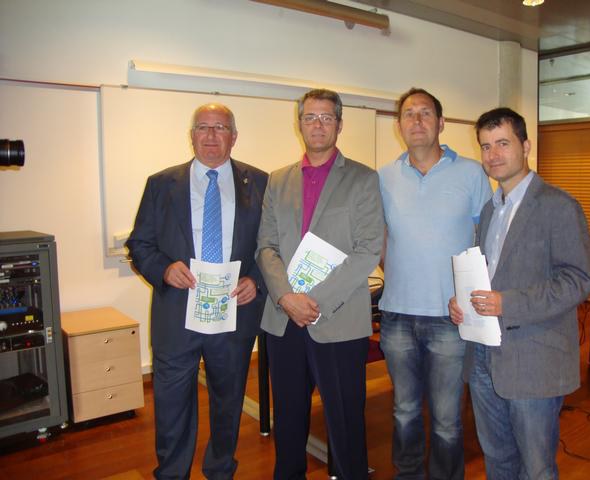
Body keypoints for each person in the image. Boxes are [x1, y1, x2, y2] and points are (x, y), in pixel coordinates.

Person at [449, 107, 590, 479]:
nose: (493, 154)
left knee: (536, 467)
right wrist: (463, 300)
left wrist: (507, 304)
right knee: (497, 459)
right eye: (485, 146)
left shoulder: (559, 206)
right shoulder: (489, 209)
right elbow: (491, 274)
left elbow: (578, 280)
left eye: (502, 143)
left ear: (525, 146)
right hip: (484, 357)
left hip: (533, 357)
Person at [126, 103, 268, 479]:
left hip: (233, 311)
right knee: (172, 404)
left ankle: (220, 469)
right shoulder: (161, 184)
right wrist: (164, 268)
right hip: (177, 312)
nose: (211, 135)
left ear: (234, 137)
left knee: (228, 401)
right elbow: (139, 244)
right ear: (191, 136)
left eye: (220, 128)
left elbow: (271, 245)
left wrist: (256, 280)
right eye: (203, 127)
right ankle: (172, 473)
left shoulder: (260, 182)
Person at [256, 88, 384, 479]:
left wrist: (314, 301)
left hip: (338, 319)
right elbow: (266, 246)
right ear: (299, 124)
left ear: (339, 125)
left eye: (327, 117)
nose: (318, 124)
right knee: (289, 417)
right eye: (310, 117)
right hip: (284, 320)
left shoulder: (363, 179)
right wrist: (286, 297)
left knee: (345, 421)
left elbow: (368, 249)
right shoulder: (278, 180)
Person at [377, 87, 492, 479]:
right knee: (404, 410)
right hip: (396, 315)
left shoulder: (472, 173)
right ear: (399, 125)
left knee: (446, 419)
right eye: (409, 114)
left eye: (425, 113)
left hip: (450, 317)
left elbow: (485, 240)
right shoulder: (385, 176)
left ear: (441, 122)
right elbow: (381, 236)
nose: (417, 121)